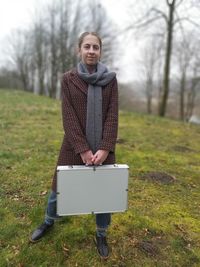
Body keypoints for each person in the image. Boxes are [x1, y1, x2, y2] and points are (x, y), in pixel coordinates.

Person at [29, 31, 118, 259]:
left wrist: (105, 147)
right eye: (87, 46)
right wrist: (83, 149)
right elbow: (68, 116)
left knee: (104, 193)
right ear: (79, 49)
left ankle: (101, 233)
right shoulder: (68, 79)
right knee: (59, 188)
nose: (91, 51)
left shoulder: (111, 80)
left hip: (103, 147)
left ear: (100, 51)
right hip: (74, 146)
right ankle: (49, 221)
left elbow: (112, 115)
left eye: (95, 47)